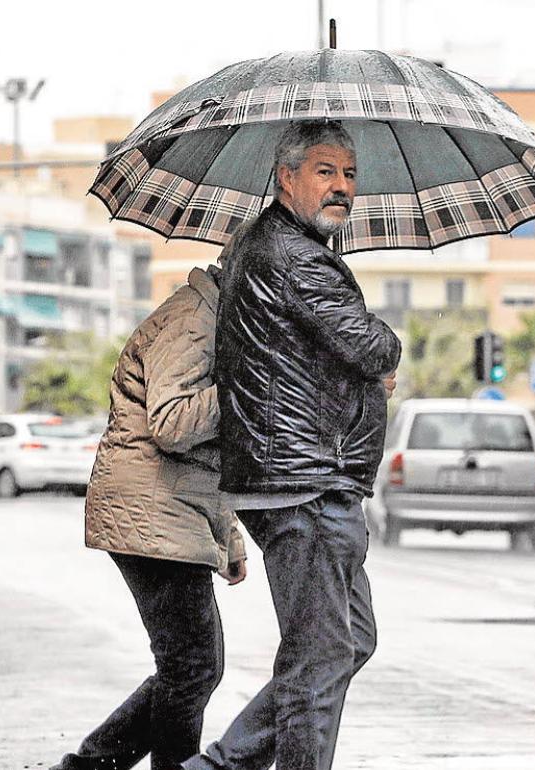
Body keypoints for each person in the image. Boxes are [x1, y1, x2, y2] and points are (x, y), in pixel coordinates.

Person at [184, 119, 401, 770]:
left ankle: (220, 764)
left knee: (349, 640)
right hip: (304, 481)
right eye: (325, 172)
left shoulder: (270, 244)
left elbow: (314, 352)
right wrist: (383, 345)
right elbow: (368, 344)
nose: (342, 188)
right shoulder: (294, 254)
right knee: (321, 658)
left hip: (301, 476)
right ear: (287, 177)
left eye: (350, 175)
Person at [52, 257, 247, 770]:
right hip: (151, 512)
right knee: (194, 665)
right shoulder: (194, 320)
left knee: (190, 665)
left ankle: (90, 765)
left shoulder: (216, 319)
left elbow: (206, 458)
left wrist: (229, 540)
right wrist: (240, 387)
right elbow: (172, 424)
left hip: (167, 510)